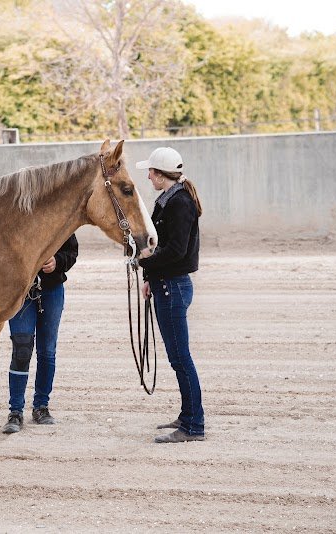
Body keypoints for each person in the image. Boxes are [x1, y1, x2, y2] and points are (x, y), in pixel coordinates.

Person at [136, 147, 205, 443]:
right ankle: (188, 416)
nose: (149, 175)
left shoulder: (179, 204)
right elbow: (166, 248)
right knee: (178, 357)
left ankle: (194, 425)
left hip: (173, 286)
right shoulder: (171, 201)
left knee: (180, 358)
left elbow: (175, 250)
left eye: (151, 171)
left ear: (163, 174)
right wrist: (150, 275)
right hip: (167, 284)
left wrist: (146, 263)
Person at [2, 234, 78, 434]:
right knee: (21, 349)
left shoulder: (58, 214)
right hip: (20, 292)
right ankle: (15, 411)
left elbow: (72, 252)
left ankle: (41, 407)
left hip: (52, 290)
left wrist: (57, 261)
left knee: (47, 351)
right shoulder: (15, 214)